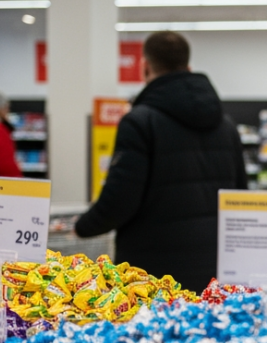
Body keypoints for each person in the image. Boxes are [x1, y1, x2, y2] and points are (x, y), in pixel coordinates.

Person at [75, 31, 247, 291]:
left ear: (145, 67)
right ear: (188, 68)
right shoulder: (226, 125)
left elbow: (121, 198)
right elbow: (240, 196)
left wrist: (82, 227)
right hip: (214, 268)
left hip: (151, 272)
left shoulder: (139, 122)